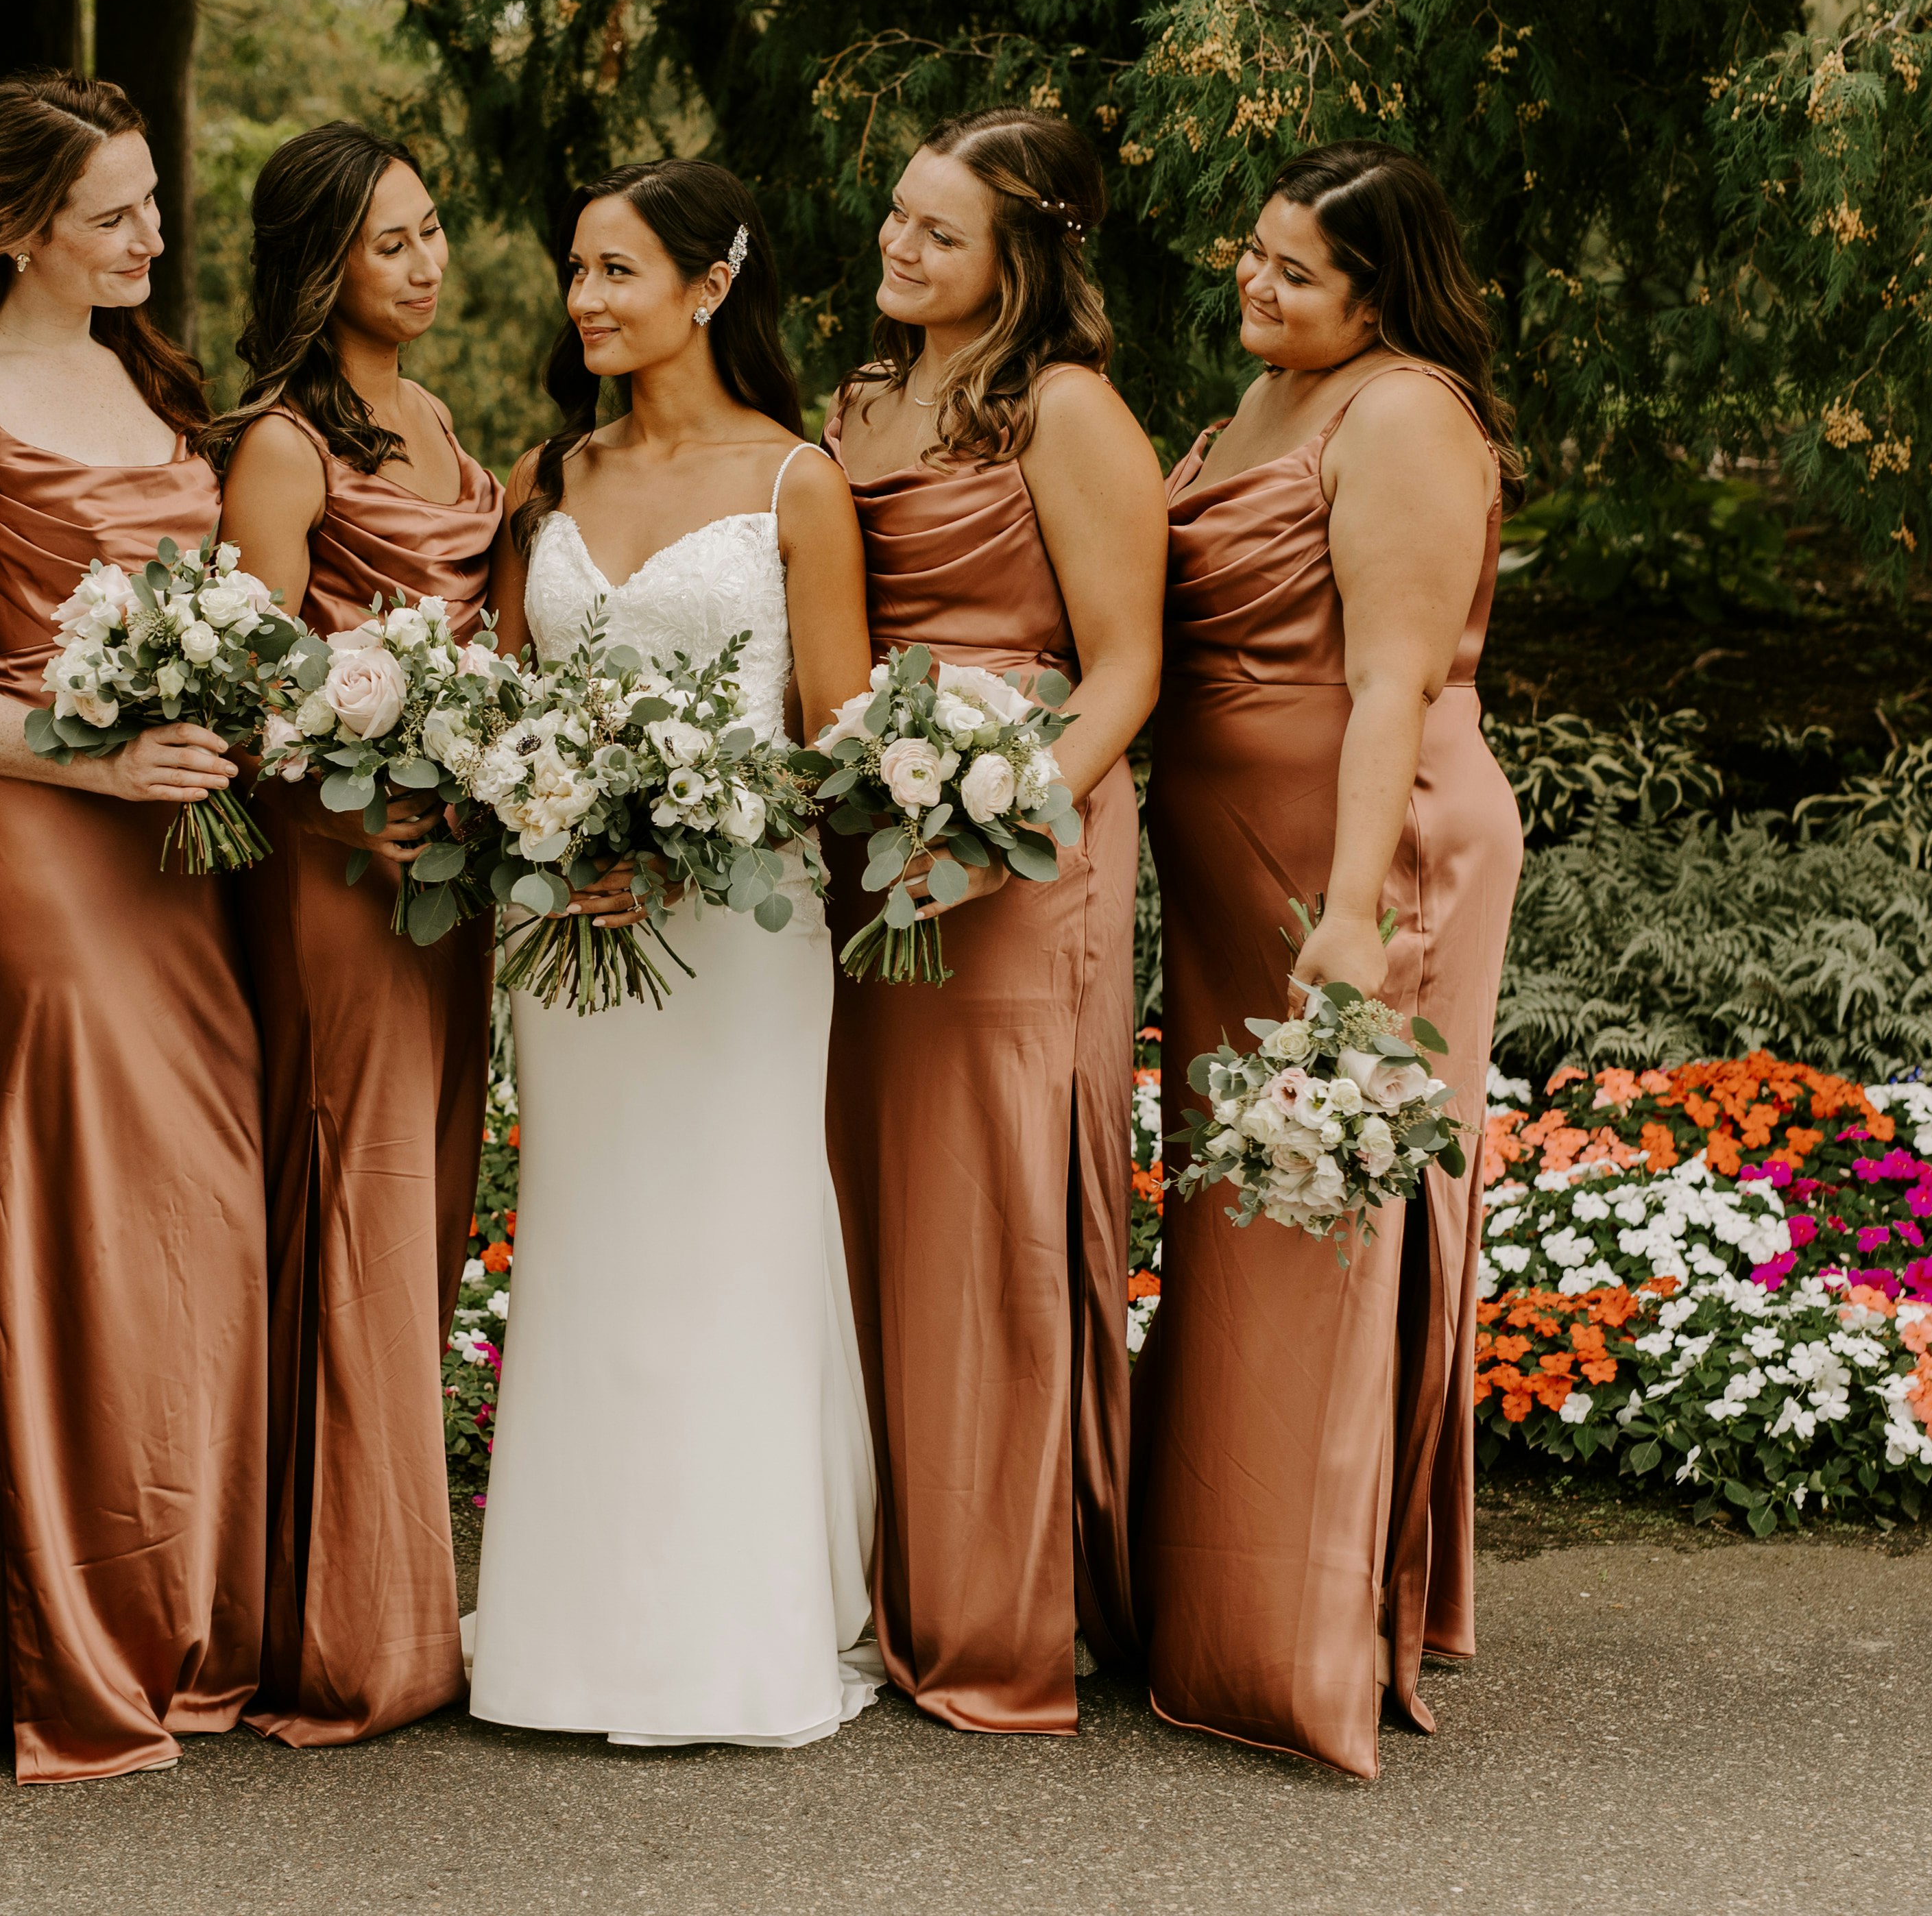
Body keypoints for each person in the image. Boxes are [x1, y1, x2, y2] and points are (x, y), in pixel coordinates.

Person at [0, 72, 264, 1783]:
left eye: (156, 202)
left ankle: (185, 1620)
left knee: (203, 1217)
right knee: (83, 1233)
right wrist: (89, 753)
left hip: (183, 859)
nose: (153, 237)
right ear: (20, 226)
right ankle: (73, 1648)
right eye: (116, 213)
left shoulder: (134, 373)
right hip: (44, 849)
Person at [466, 157, 880, 1748]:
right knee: (590, 1233)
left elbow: (833, 732)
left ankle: (737, 1625)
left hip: (739, 927)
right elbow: (504, 705)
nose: (585, 299)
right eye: (576, 267)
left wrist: (687, 827)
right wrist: (554, 835)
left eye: (618, 269)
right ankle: (573, 1628)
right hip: (566, 924)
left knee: (732, 1237)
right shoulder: (544, 477)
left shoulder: (796, 483)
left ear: (709, 286)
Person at [1129, 140, 1525, 1778]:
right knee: (1240, 1203)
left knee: (1329, 1203)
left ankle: (1307, 1622)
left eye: (1295, 269)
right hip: (1236, 869)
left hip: (1371, 853)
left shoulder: (1403, 415)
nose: (1256, 282)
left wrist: (1355, 910)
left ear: (1375, 293)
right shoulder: (1241, 415)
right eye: (1252, 251)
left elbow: (1388, 681)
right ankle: (1210, 1589)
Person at [821, 110, 1165, 1736]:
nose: (898, 248)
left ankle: (1005, 1603)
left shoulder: (1068, 414)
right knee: (876, 1194)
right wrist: (882, 808)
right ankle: (887, 1570)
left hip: (1024, 858)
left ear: (1017, 261)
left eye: (937, 234)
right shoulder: (856, 408)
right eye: (895, 218)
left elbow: (1123, 671)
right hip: (871, 845)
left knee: (1000, 1205)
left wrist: (996, 813)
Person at [212, 123, 502, 1745]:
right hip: (338, 877)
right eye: (393, 239)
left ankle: (388, 1574)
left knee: (427, 1200)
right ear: (321, 261)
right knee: (352, 1195)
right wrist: (347, 809)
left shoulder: (441, 422)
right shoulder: (278, 445)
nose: (428, 259)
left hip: (446, 879)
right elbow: (257, 689)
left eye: (434, 225)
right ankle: (345, 1625)